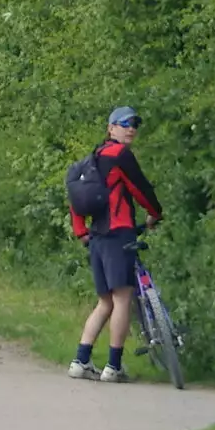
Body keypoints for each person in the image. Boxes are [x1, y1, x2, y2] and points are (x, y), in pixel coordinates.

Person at [67, 106, 163, 383]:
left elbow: (76, 200)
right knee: (122, 300)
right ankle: (113, 366)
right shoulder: (119, 155)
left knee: (105, 302)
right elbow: (140, 188)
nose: (131, 128)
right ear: (111, 128)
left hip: (96, 239)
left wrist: (80, 232)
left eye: (135, 124)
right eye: (124, 124)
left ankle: (80, 361)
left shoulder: (89, 160)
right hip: (119, 234)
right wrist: (155, 213)